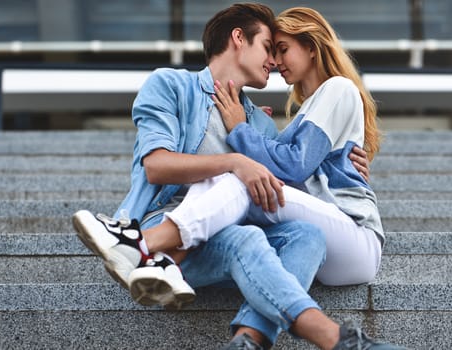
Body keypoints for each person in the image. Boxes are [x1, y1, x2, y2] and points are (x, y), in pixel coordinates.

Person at [72, 3, 403, 349]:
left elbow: (282, 181)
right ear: (238, 38)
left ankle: (155, 258)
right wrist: (233, 161)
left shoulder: (258, 123)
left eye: (281, 51)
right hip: (166, 217)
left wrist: (340, 164)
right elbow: (156, 165)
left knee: (306, 234)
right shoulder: (172, 85)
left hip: (225, 236)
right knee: (243, 207)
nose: (274, 62)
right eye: (268, 48)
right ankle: (327, 338)